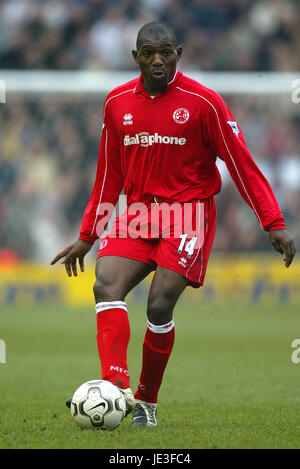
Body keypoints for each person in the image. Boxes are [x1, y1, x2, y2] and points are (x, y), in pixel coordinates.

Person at [51, 21, 296, 427]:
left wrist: (272, 220)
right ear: (136, 57)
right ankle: (116, 387)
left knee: (159, 303)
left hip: (188, 213)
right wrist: (86, 235)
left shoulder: (204, 103)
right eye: (149, 53)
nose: (158, 60)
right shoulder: (115, 103)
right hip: (138, 214)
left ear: (179, 52)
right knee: (105, 284)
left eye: (166, 51)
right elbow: (108, 176)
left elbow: (240, 162)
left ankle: (146, 403)